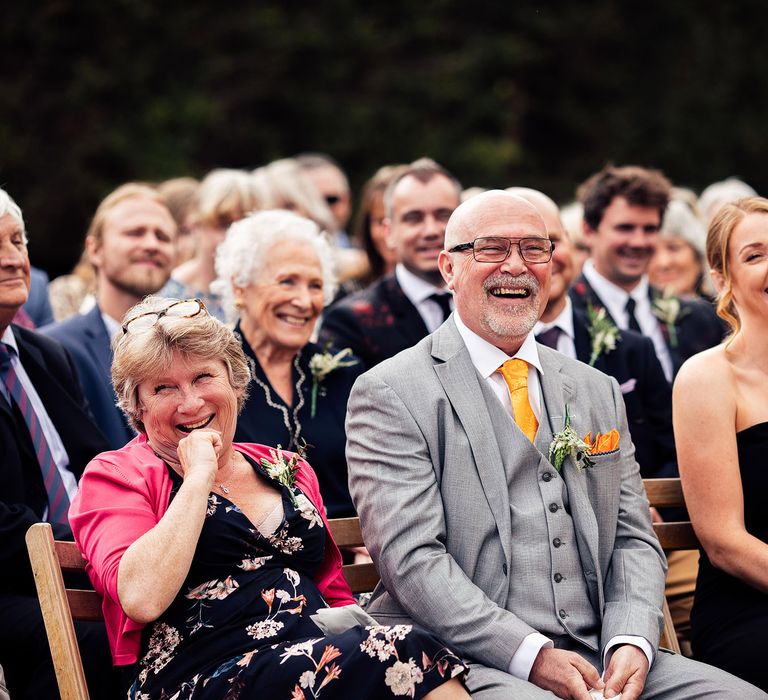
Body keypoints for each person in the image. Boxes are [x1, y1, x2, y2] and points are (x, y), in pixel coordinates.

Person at [346, 190, 766, 699]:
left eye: (534, 249)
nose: (517, 267)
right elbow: (412, 560)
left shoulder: (595, 388)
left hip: (603, 653)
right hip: (462, 660)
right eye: (492, 249)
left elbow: (633, 537)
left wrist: (632, 639)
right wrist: (532, 655)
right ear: (448, 267)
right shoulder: (390, 391)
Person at [69, 295, 469, 699]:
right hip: (198, 675)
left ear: (235, 380)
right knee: (406, 651)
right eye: (163, 388)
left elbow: (330, 591)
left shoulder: (285, 466)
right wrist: (197, 477)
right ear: (137, 406)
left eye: (204, 377)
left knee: (406, 652)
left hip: (311, 657)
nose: (190, 403)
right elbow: (141, 598)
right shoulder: (115, 474)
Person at [0, 187, 119, 699]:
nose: (12, 258)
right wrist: (83, 550)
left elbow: (99, 464)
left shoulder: (45, 355)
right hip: (13, 578)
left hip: (88, 561)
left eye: (17, 240)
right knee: (91, 639)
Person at [673, 196, 768, 690]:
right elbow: (724, 542)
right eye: (755, 256)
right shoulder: (708, 377)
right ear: (722, 278)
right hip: (748, 610)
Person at [213, 210, 364, 519]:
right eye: (287, 281)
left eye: (315, 286)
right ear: (240, 287)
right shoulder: (211, 376)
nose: (304, 301)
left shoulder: (346, 372)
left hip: (356, 555)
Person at [43, 183, 178, 450]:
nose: (151, 244)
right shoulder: (55, 350)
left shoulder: (191, 346)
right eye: (135, 233)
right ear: (95, 250)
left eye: (162, 237)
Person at [570, 164, 724, 382]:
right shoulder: (564, 318)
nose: (638, 242)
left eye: (649, 229)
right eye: (625, 228)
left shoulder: (699, 317)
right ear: (588, 230)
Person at [319, 157, 461, 369]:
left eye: (443, 215)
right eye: (414, 218)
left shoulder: (491, 301)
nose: (431, 230)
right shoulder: (351, 321)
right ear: (389, 232)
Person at [160, 168, 258, 320]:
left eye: (245, 224)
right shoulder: (170, 296)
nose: (235, 235)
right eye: (224, 224)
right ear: (196, 226)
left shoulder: (263, 290)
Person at [352, 164, 408, 286]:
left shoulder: (449, 289)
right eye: (379, 221)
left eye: (397, 220)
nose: (387, 232)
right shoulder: (351, 289)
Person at [648, 199, 713, 299]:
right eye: (651, 251)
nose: (663, 263)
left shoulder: (725, 313)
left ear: (698, 256)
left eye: (673, 248)